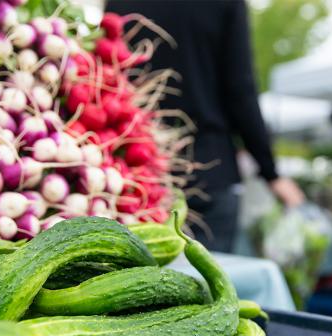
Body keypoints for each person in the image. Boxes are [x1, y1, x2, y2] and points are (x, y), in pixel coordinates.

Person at [106, 0, 304, 252]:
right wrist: (270, 172)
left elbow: (110, 80)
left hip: (136, 173)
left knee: (138, 279)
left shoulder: (120, 3)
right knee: (209, 282)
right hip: (209, 170)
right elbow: (240, 90)